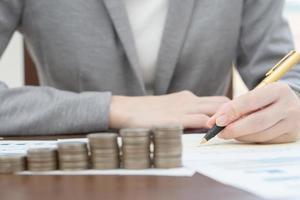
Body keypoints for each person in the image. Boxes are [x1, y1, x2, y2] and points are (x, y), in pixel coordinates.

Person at [0, 0, 299, 143]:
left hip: (207, 174)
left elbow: (287, 77)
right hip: (78, 180)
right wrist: (113, 108)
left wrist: (291, 104)